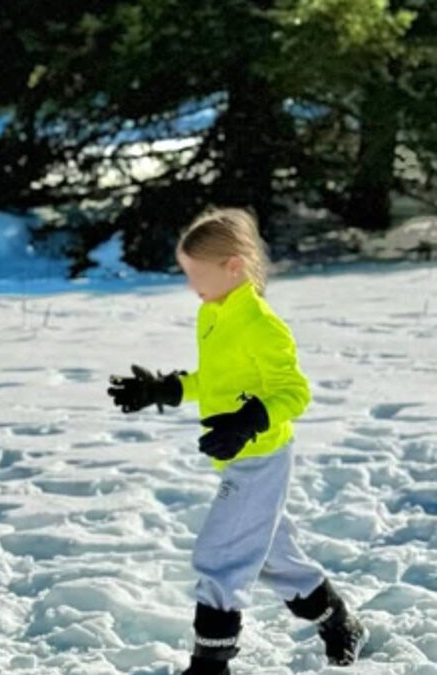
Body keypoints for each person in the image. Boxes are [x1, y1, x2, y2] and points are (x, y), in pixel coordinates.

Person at [107, 208, 368, 675]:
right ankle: (339, 622)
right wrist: (166, 389)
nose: (191, 287)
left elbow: (294, 391)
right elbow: (216, 380)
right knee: (273, 555)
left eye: (196, 275)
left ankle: (211, 665)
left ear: (232, 267)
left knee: (221, 555)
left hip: (261, 456)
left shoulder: (260, 324)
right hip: (239, 455)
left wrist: (250, 421)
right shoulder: (216, 313)